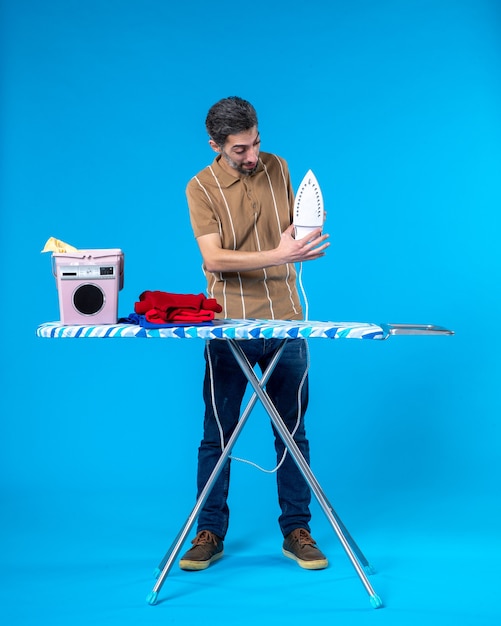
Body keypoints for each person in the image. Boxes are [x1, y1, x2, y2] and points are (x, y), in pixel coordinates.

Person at [180, 96, 330, 572]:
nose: (252, 155)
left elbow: (293, 236)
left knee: (292, 433)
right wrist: (280, 255)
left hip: (288, 321)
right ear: (216, 145)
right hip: (228, 324)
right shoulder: (200, 187)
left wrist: (305, 239)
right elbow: (215, 259)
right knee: (217, 435)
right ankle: (209, 531)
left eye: (256, 142)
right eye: (241, 149)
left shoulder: (280, 168)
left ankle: (297, 530)